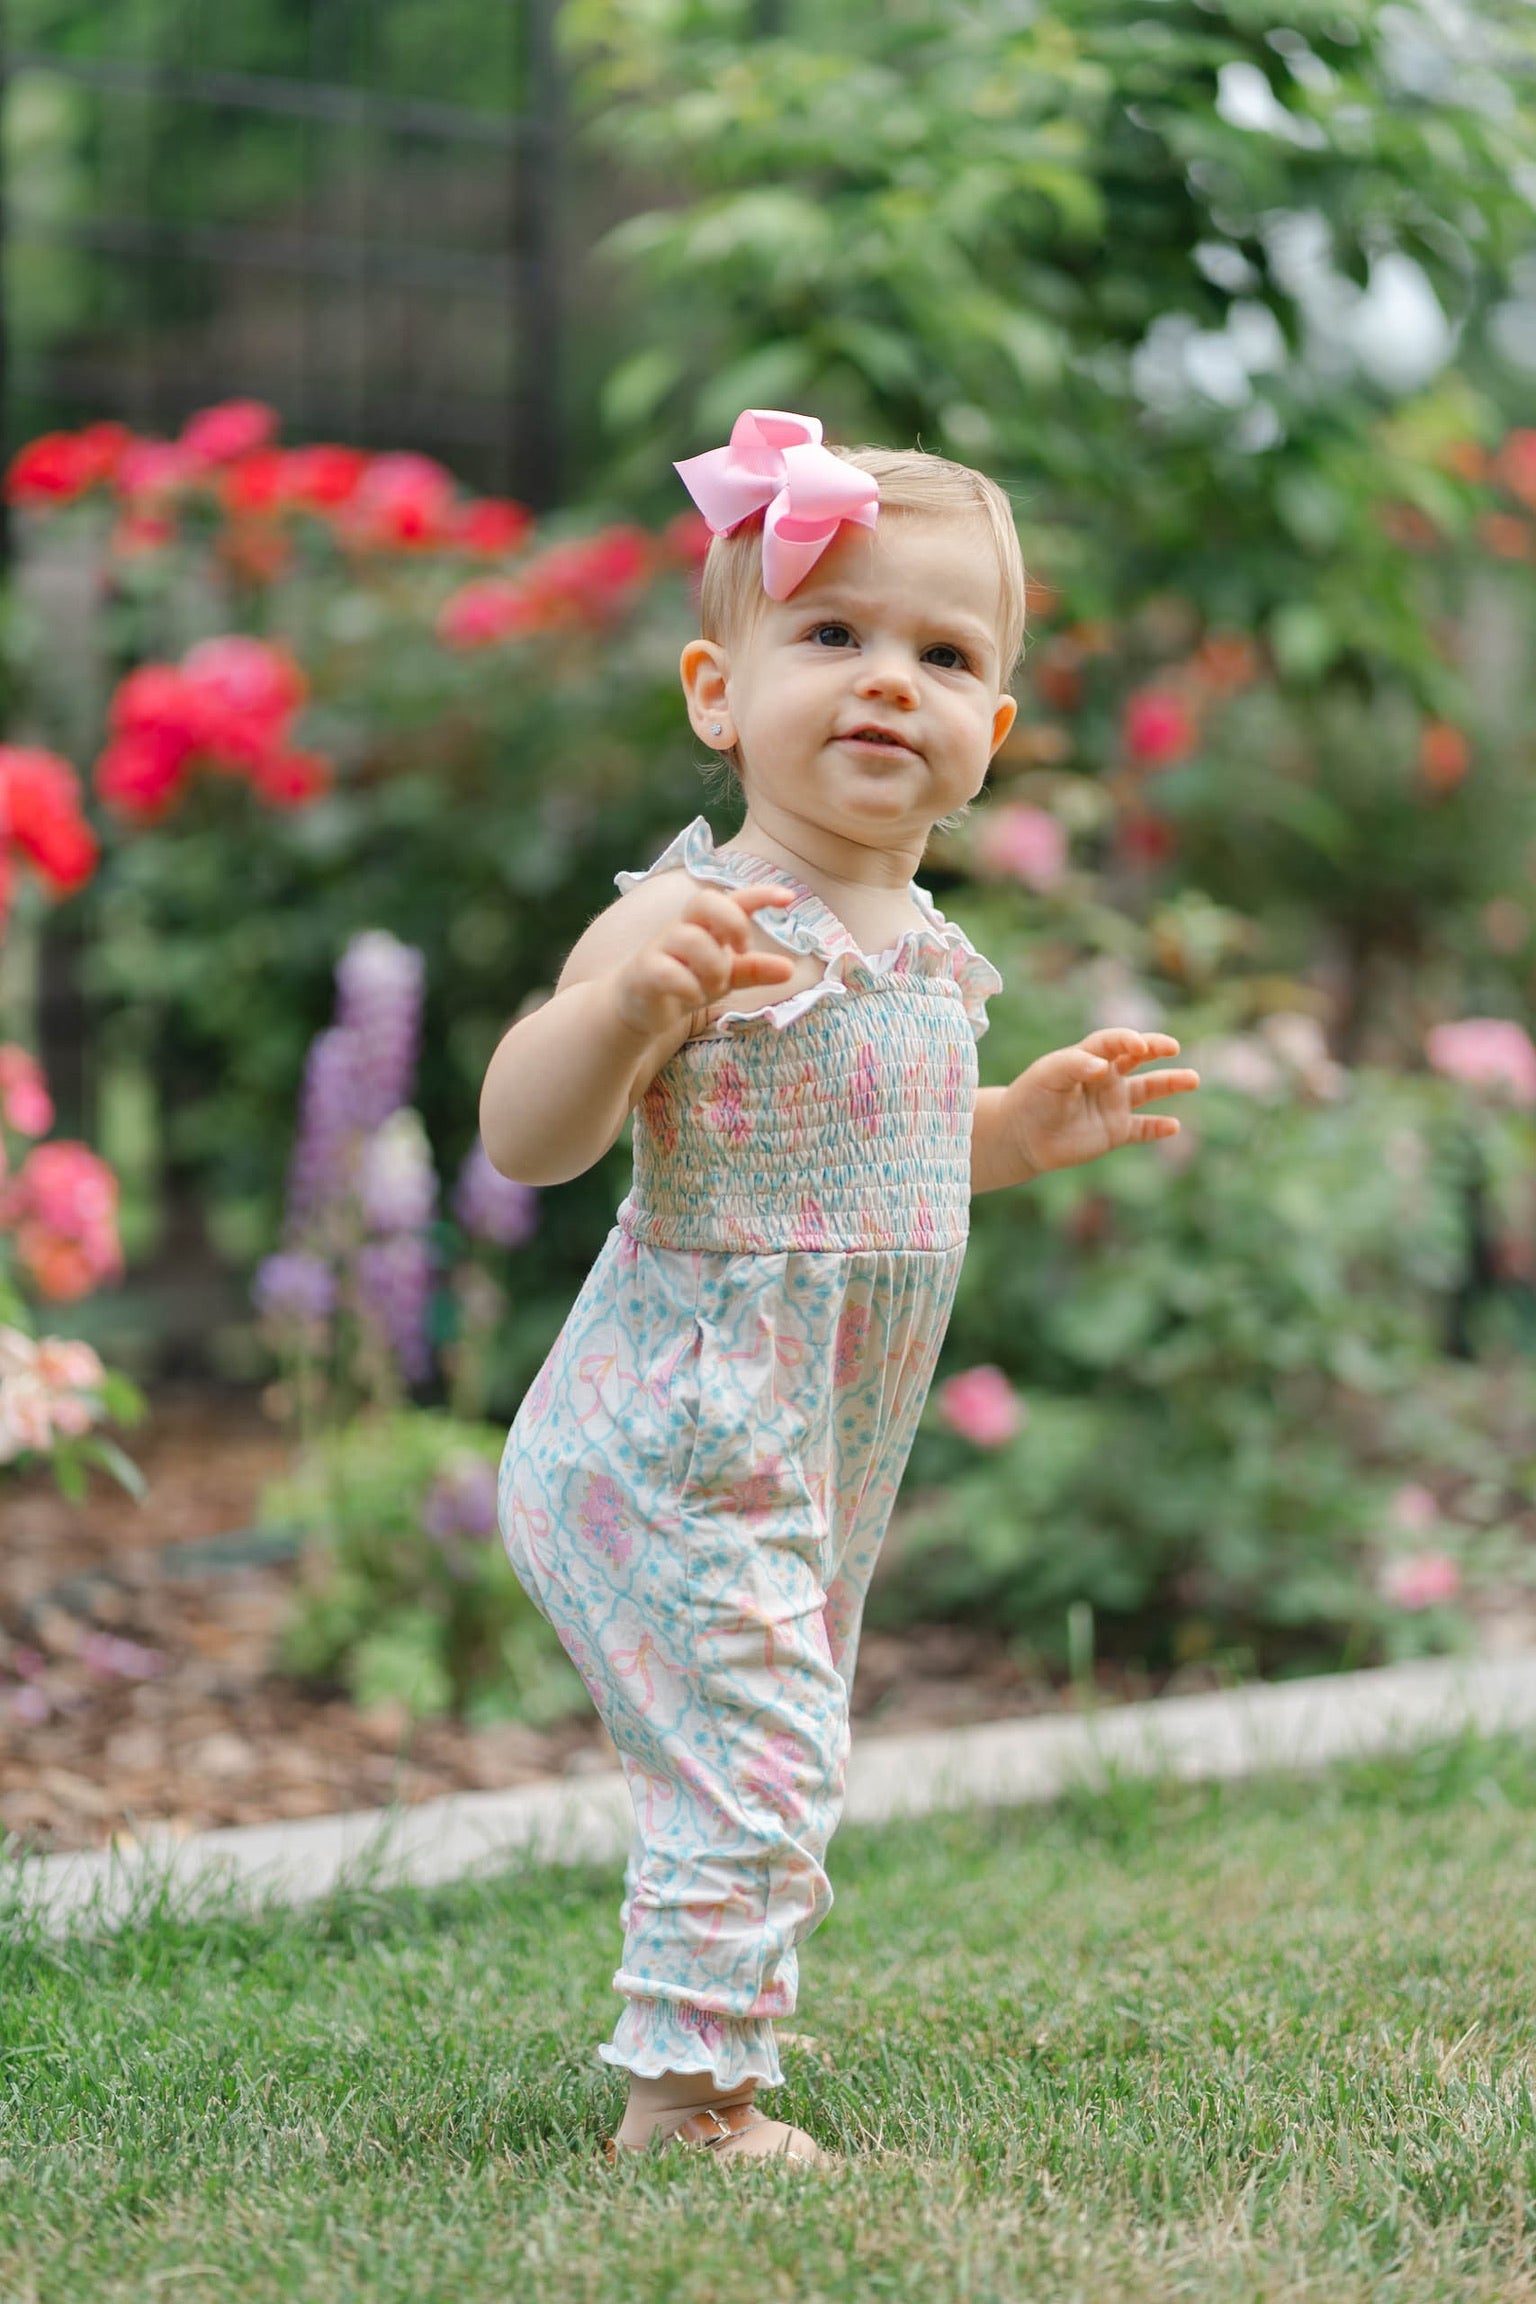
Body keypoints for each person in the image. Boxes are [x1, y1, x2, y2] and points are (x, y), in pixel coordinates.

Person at [481, 409, 1199, 2166]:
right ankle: (692, 2107)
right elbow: (526, 1137)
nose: (888, 681)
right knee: (764, 1747)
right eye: (833, 635)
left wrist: (1021, 1125)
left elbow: (879, 1159)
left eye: (941, 655)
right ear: (719, 694)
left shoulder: (930, 957)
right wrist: (618, 1014)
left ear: (993, 736)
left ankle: (701, 2054)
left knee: (777, 1739)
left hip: (806, 1462)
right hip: (671, 1435)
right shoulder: (693, 916)